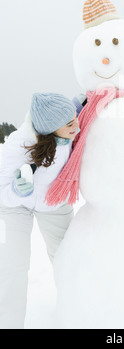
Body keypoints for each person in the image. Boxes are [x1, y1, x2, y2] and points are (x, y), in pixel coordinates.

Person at [0, 93, 79, 329]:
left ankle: (76, 315)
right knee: (14, 263)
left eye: (75, 118)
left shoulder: (69, 130)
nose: (77, 125)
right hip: (16, 206)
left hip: (53, 201)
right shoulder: (18, 146)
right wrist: (16, 190)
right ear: (50, 128)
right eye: (69, 124)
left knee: (68, 258)